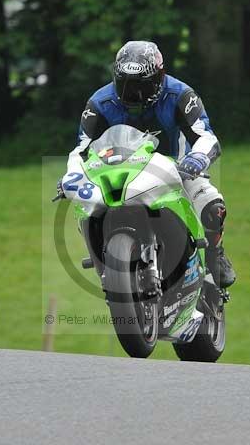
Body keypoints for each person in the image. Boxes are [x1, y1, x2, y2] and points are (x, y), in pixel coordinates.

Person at [59, 40, 236, 288]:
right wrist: (72, 176)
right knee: (86, 210)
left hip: (175, 172)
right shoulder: (99, 104)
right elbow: (80, 150)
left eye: (142, 86)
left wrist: (197, 158)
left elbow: (206, 136)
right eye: (124, 85)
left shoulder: (181, 95)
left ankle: (215, 254)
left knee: (212, 205)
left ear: (160, 77)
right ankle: (107, 267)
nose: (133, 94)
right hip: (118, 173)